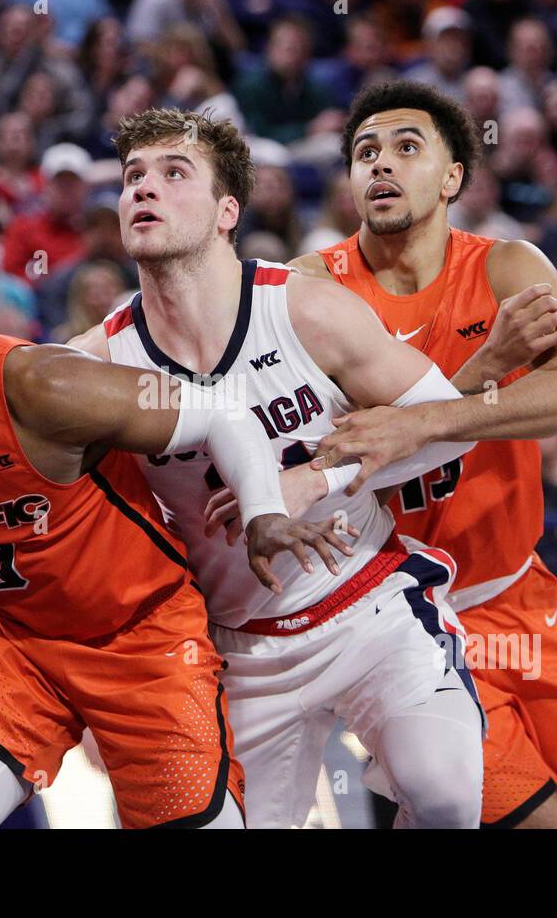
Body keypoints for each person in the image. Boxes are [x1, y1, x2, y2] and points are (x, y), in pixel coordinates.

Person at [0, 236, 335, 828]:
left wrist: (265, 510)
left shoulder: (40, 384)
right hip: (14, 642)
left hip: (141, 636)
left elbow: (221, 412)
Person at [66, 108, 484, 828]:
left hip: (366, 606)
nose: (143, 189)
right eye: (134, 176)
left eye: (173, 173)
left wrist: (311, 480)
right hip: (236, 647)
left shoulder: (303, 308)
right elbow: (22, 484)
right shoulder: (94, 364)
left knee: (443, 791)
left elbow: (448, 429)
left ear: (227, 211)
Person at [292, 81, 557, 828]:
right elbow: (342, 455)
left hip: (524, 595)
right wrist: (484, 373)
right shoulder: (311, 288)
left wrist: (427, 418)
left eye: (405, 147)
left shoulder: (507, 267)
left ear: (453, 176)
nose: (381, 165)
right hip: (409, 621)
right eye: (365, 153)